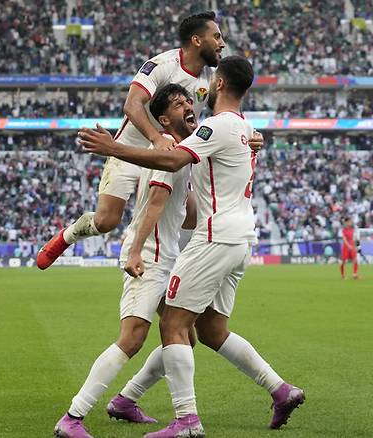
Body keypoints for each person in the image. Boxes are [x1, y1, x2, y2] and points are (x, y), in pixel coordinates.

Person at [79, 56, 304, 437]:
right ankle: (280, 390)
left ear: (217, 85)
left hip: (214, 236)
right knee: (212, 330)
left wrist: (113, 149)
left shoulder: (215, 128)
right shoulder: (245, 128)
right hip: (242, 236)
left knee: (173, 324)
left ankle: (186, 421)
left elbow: (169, 160)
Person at [37, 11, 264, 270]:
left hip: (168, 156)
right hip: (129, 150)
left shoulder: (209, 79)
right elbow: (132, 105)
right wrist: (156, 138)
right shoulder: (162, 65)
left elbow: (228, 110)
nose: (222, 43)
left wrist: (250, 134)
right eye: (216, 36)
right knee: (106, 221)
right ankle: (68, 236)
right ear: (197, 40)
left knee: (194, 214)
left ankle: (181, 266)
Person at [54, 84, 199, 438]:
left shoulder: (183, 152)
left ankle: (126, 400)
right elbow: (154, 205)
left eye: (189, 100)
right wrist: (135, 252)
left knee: (184, 337)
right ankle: (73, 417)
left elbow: (188, 215)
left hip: (167, 256)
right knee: (133, 337)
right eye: (179, 104)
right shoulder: (167, 150)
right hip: (149, 257)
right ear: (164, 119)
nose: (188, 106)